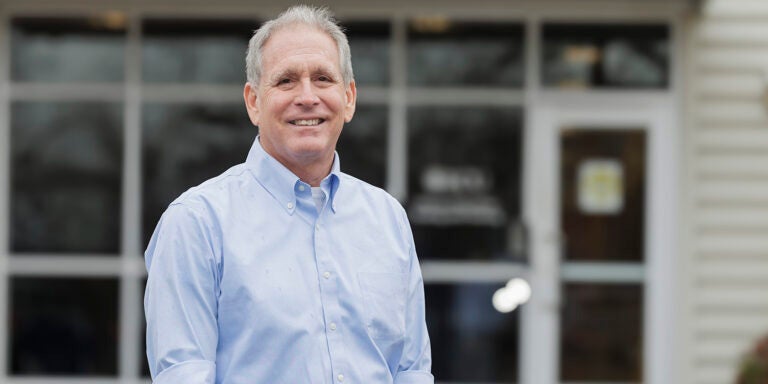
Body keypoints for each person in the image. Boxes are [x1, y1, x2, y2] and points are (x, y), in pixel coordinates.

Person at [143, 5, 433, 384]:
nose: (307, 96)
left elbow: (411, 371)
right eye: (286, 81)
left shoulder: (387, 218)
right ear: (253, 102)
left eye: (323, 78)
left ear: (348, 98)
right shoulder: (197, 223)